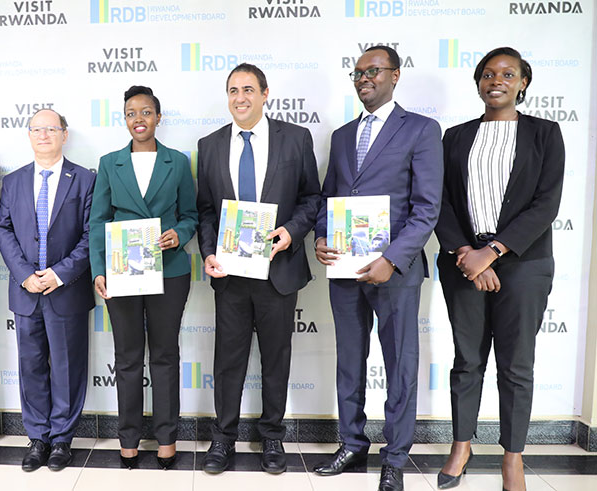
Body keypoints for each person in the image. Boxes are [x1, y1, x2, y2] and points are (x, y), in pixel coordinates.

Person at [313, 45, 443, 491]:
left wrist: (391, 259)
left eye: (373, 70)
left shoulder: (422, 130)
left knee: (399, 365)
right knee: (350, 361)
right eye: (357, 72)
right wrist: (321, 237)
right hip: (345, 269)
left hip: (395, 272)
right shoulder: (343, 136)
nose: (364, 78)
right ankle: (351, 442)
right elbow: (329, 199)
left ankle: (395, 456)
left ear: (395, 75)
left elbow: (427, 209)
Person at [434, 47, 564, 491]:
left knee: (515, 365)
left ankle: (513, 457)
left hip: (524, 263)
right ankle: (461, 446)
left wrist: (492, 252)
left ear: (523, 82)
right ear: (478, 83)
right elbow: (442, 203)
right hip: (463, 261)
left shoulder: (545, 134)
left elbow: (546, 204)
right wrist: (468, 255)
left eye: (508, 74)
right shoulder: (455, 137)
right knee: (467, 361)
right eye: (488, 74)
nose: (497, 80)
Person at [196, 63, 320, 475]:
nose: (240, 97)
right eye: (233, 90)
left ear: (266, 94)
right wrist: (209, 251)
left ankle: (271, 438)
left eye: (248, 89)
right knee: (227, 361)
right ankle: (223, 439)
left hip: (278, 270)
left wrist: (292, 232)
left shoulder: (296, 139)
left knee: (276, 358)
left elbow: (311, 198)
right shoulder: (210, 144)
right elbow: (206, 210)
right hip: (229, 273)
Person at [89, 85, 197, 470]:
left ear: (158, 117)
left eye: (146, 112)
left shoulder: (178, 162)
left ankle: (167, 438)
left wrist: (179, 234)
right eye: (132, 113)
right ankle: (129, 439)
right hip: (122, 273)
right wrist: (98, 270)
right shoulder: (109, 163)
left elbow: (191, 215)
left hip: (170, 273)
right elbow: (98, 222)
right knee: (128, 357)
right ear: (125, 118)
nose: (139, 119)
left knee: (165, 356)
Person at [0, 109, 96, 471]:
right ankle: (38, 437)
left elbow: (90, 235)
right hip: (26, 290)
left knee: (68, 367)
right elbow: (3, 229)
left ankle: (62, 439)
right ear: (29, 134)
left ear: (64, 135)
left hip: (65, 289)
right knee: (31, 364)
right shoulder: (14, 180)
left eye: (51, 129)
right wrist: (25, 274)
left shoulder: (84, 179)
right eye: (36, 129)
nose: (43, 135)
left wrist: (59, 273)